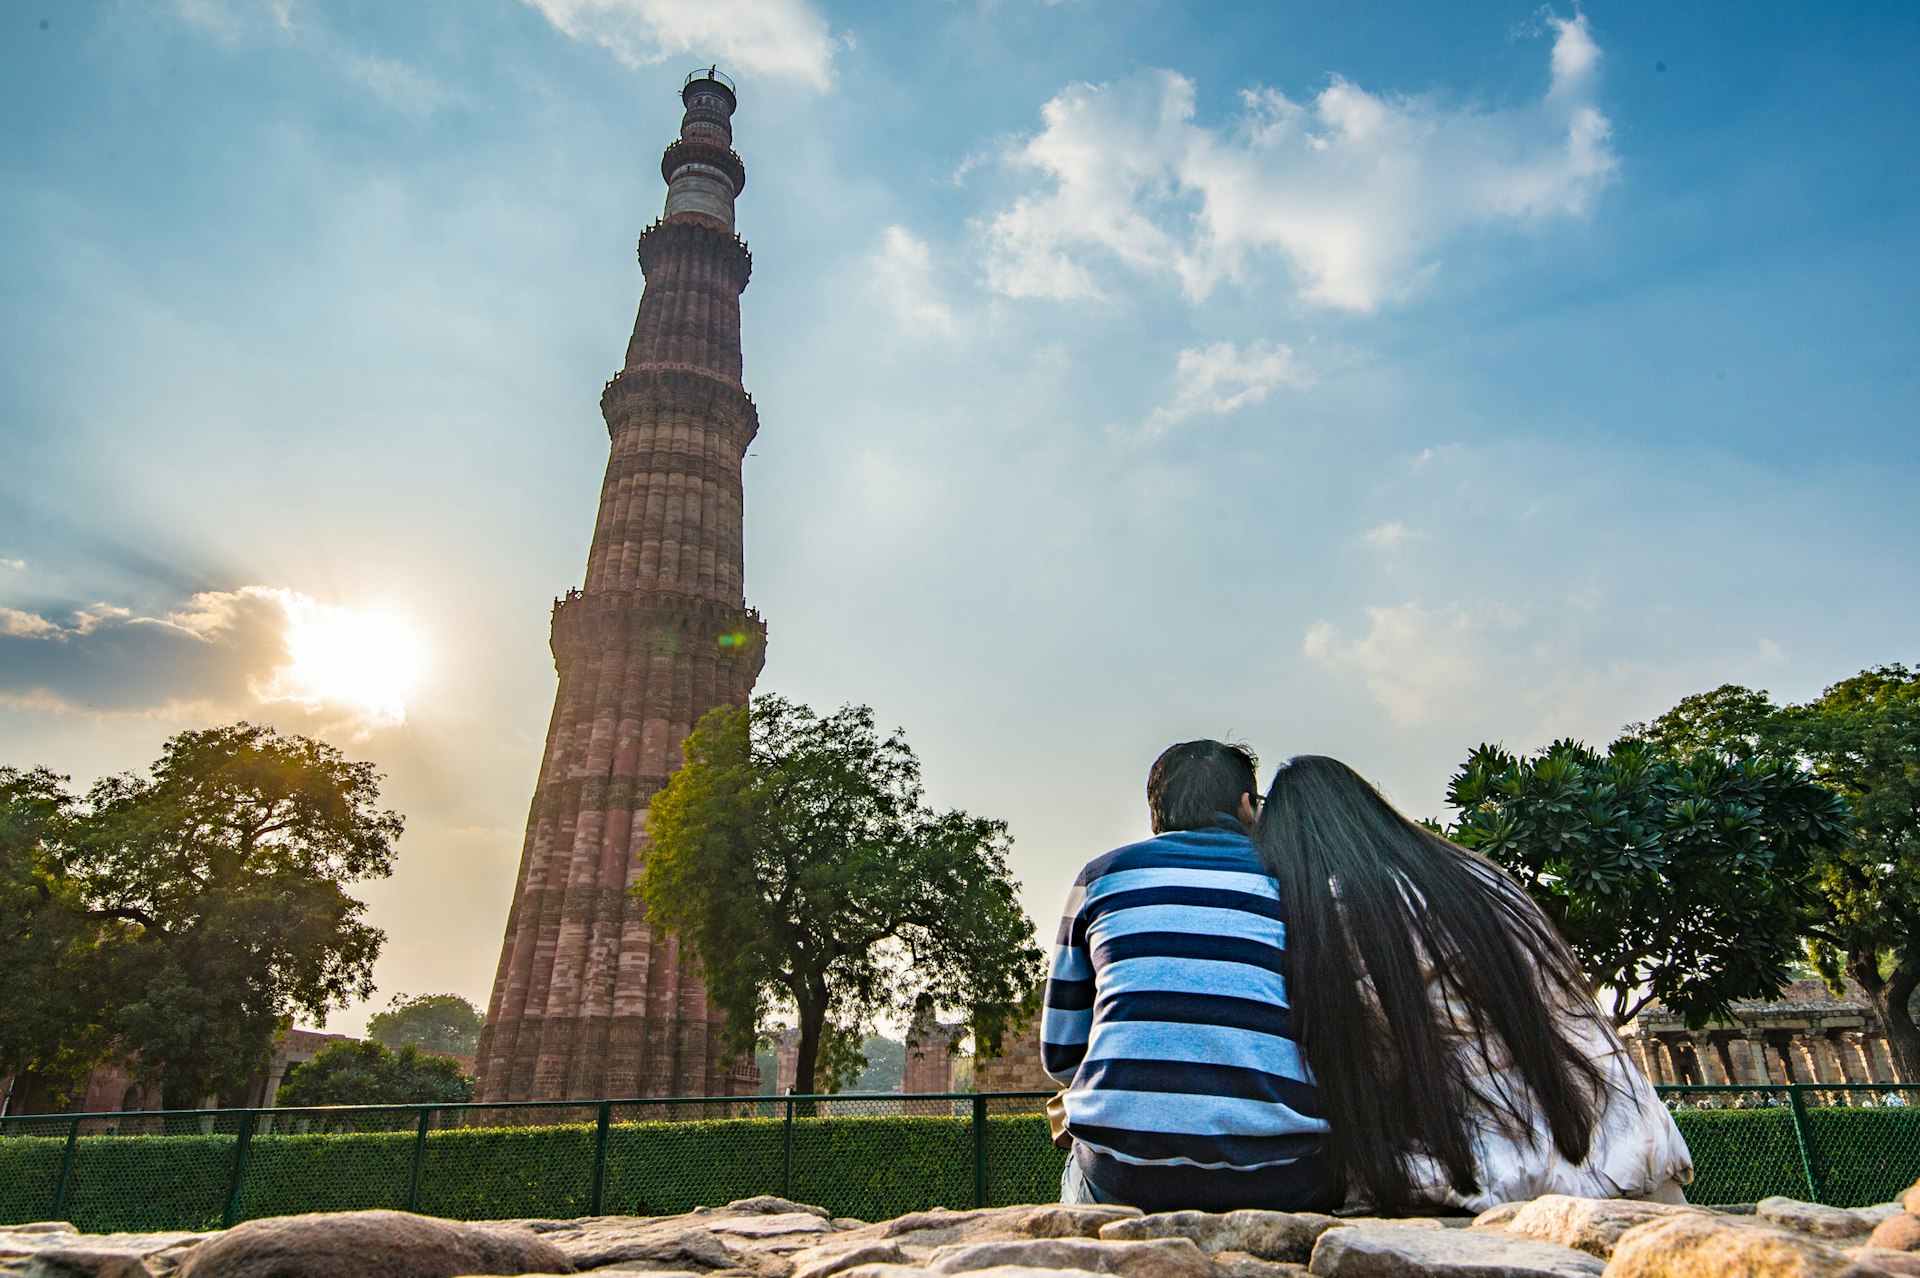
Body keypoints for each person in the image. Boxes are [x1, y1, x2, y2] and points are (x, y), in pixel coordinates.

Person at [1247, 755, 1693, 1213]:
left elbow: (1373, 1068)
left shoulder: (1343, 910)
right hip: (1630, 1146)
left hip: (1506, 1176)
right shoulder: (1482, 877)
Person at [1041, 740, 1335, 1211]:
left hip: (1126, 1177)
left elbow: (1060, 1055)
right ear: (1246, 806)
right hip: (1283, 1177)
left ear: (1156, 811)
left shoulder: (1101, 878)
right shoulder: (1301, 885)